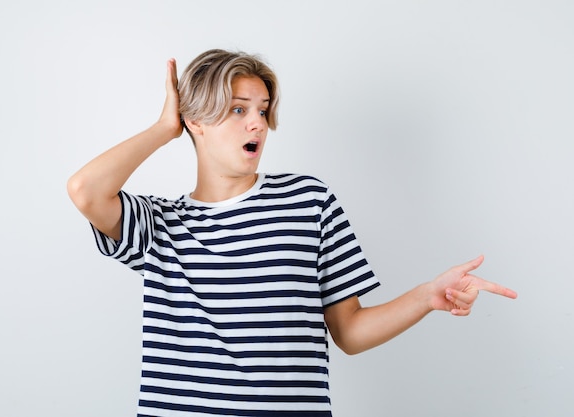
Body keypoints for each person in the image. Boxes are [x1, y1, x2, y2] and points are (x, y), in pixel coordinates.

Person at [67, 49, 517, 417]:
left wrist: (427, 296)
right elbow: (85, 191)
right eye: (238, 110)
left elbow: (350, 333)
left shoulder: (308, 201)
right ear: (195, 122)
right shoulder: (159, 226)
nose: (257, 123)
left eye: (262, 110)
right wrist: (165, 128)